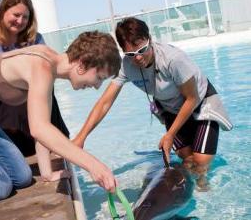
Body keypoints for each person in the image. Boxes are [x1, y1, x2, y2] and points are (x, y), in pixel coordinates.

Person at [0, 31, 121, 201]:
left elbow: (43, 124)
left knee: (23, 177)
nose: (97, 86)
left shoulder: (49, 64)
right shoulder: (42, 67)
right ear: (82, 64)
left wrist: (47, 173)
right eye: (99, 78)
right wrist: (93, 165)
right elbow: (39, 129)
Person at [73, 17, 232, 191]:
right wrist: (81, 137)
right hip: (171, 110)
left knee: (200, 163)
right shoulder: (126, 66)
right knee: (186, 160)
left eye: (142, 49)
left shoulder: (173, 59)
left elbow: (192, 98)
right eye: (131, 54)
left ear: (149, 38)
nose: (138, 58)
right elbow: (105, 102)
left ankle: (205, 189)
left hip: (201, 105)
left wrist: (170, 134)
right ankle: (192, 191)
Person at [0, 0, 70, 181]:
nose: (20, 21)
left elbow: (47, 73)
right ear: (3, 12)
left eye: (25, 17)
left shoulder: (36, 38)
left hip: (29, 102)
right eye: (16, 15)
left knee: (44, 93)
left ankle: (47, 146)